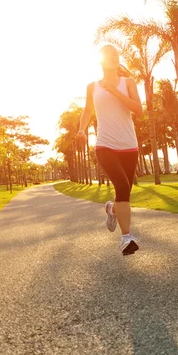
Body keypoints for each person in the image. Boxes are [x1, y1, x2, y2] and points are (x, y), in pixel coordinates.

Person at [77, 44, 143, 255]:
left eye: (116, 54)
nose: (114, 57)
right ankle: (126, 238)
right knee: (122, 186)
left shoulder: (128, 82)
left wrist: (115, 91)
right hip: (105, 144)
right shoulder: (92, 87)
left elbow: (138, 109)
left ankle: (112, 209)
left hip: (129, 146)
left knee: (124, 193)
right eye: (109, 55)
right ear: (101, 61)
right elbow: (88, 110)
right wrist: (81, 130)